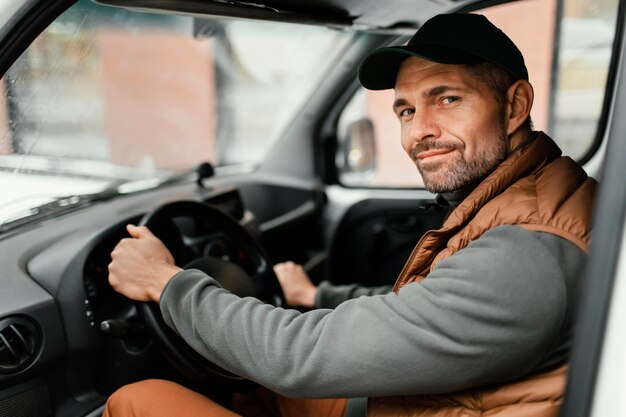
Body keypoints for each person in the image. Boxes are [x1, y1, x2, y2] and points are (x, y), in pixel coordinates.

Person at [104, 12, 596, 417]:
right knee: (250, 389)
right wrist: (315, 294)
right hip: (432, 402)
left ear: (515, 106)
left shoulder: (526, 252)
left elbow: (299, 357)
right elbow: (433, 308)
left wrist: (164, 282)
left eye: (447, 99)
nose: (419, 131)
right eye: (405, 111)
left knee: (136, 401)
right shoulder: (533, 198)